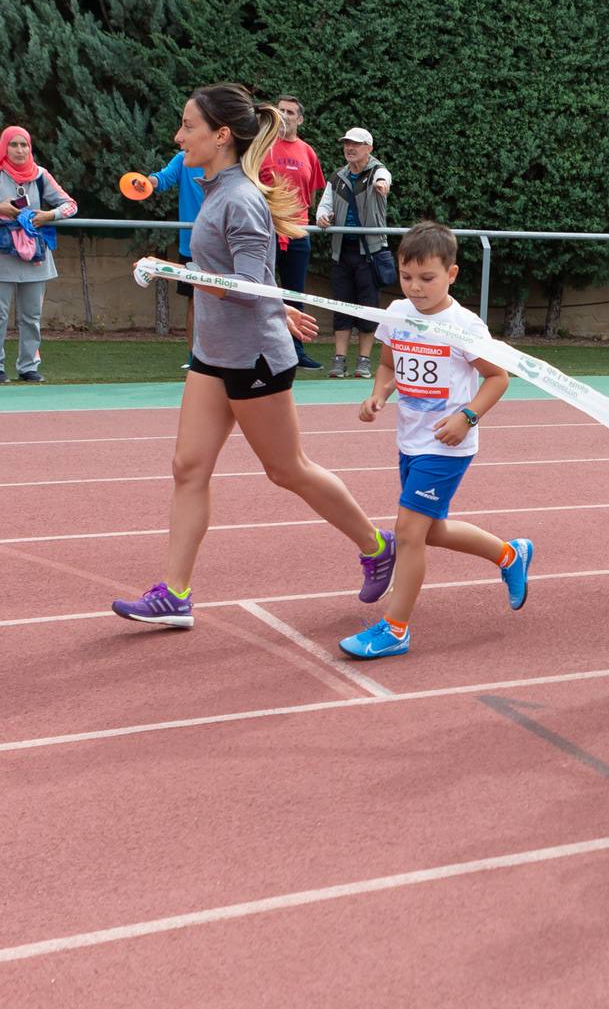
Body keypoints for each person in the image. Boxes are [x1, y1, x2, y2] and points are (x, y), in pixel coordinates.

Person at [112, 85, 396, 629]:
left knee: (286, 469)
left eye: (187, 126)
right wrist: (281, 309)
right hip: (212, 354)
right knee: (188, 467)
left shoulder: (239, 197)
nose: (178, 137)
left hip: (254, 360)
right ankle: (175, 594)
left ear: (220, 135)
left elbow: (245, 287)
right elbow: (258, 279)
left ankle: (377, 545)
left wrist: (177, 272)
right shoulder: (218, 191)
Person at [339, 222, 534, 659]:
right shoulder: (396, 313)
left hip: (446, 446)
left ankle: (395, 629)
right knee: (429, 530)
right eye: (407, 277)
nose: (416, 287)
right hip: (409, 440)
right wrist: (378, 394)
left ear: (451, 273)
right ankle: (509, 554)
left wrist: (467, 417)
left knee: (408, 533)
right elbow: (388, 365)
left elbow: (498, 377)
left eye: (427, 278)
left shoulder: (463, 325)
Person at [0, 125, 76, 383]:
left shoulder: (41, 175)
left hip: (34, 256)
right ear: (4, 147)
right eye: (13, 145)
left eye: (24, 145)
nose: (19, 150)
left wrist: (49, 215)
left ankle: (29, 365)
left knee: (32, 316)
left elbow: (70, 205)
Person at [314, 128, 392, 379]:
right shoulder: (337, 177)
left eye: (356, 144)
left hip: (369, 253)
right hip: (342, 252)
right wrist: (323, 217)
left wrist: (382, 185)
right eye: (347, 143)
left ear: (369, 148)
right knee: (342, 306)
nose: (350, 148)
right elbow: (323, 207)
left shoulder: (377, 171)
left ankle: (365, 360)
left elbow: (384, 179)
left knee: (368, 308)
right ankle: (339, 360)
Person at [265, 95, 324, 371]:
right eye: (280, 111)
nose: (285, 115)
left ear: (299, 119)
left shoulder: (308, 152)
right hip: (266, 229)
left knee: (294, 292)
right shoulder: (262, 147)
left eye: (290, 112)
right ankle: (261, 351)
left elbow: (309, 191)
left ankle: (296, 350)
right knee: (262, 290)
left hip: (298, 231)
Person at [147, 149, 207, 355]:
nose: (180, 136)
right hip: (191, 244)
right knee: (195, 300)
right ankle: (194, 358)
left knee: (229, 302)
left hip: (223, 246)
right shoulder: (184, 158)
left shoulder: (230, 158)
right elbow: (162, 178)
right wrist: (148, 182)